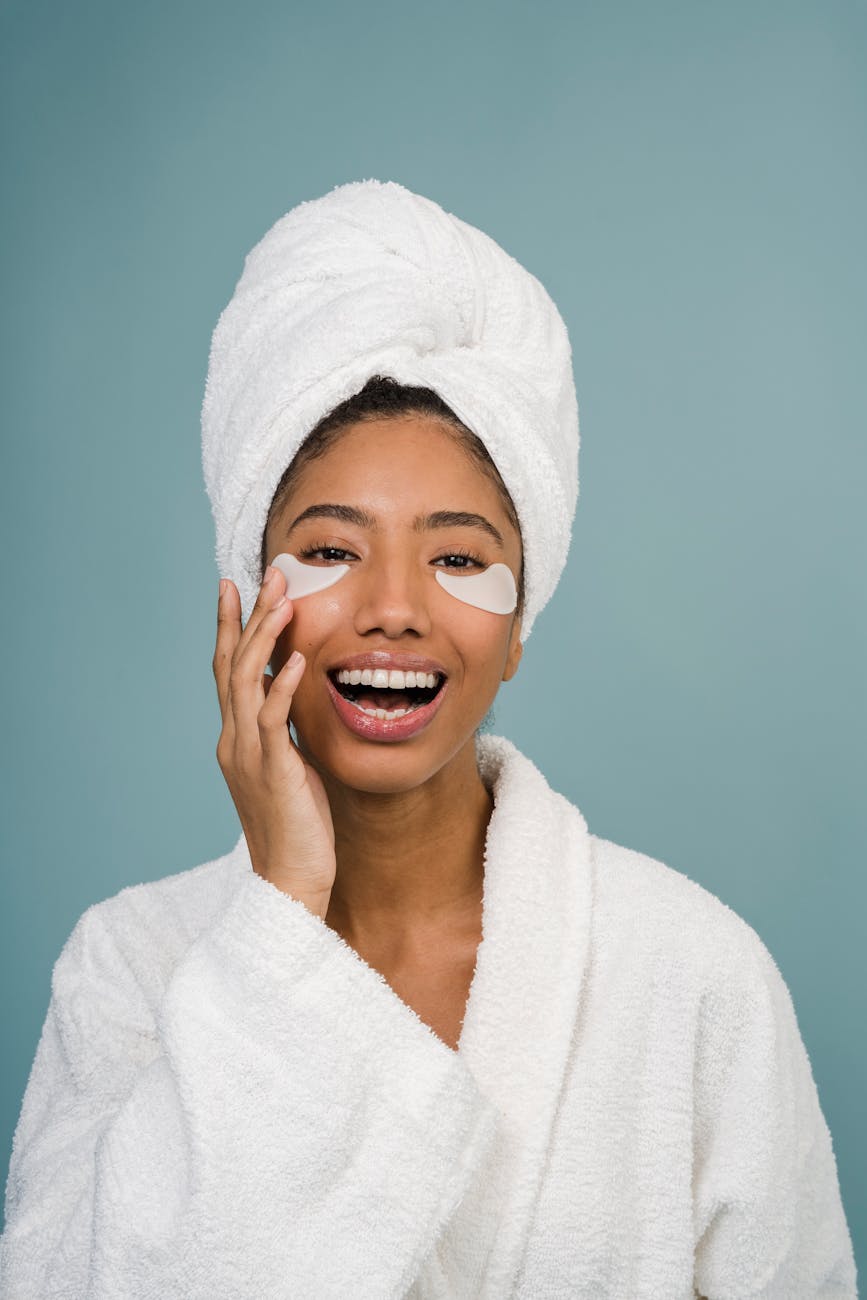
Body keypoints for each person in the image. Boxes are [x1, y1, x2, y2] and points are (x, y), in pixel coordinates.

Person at [0, 182, 857, 1299]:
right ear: (250, 602)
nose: (395, 606)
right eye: (329, 548)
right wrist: (281, 918)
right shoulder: (127, 969)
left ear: (518, 629)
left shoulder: (695, 977)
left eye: (459, 558)